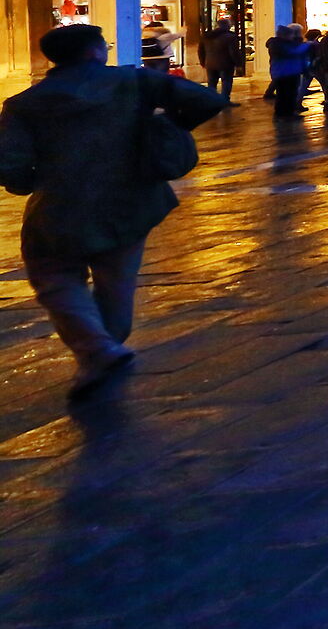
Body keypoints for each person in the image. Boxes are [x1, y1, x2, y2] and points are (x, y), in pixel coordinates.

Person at [0, 24, 230, 397]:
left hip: (58, 206)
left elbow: (10, 165)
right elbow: (208, 100)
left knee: (55, 278)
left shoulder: (25, 103)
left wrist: (25, 182)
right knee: (116, 282)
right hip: (130, 200)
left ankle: (96, 350)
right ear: (95, 52)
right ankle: (102, 352)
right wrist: (159, 126)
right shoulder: (133, 82)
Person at [265, 24, 310, 118]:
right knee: (284, 94)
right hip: (284, 72)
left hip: (291, 71)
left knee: (290, 94)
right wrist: (306, 45)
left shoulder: (284, 43)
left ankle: (287, 113)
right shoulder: (277, 44)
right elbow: (292, 53)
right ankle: (283, 114)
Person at [198, 21, 241, 102]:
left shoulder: (207, 36)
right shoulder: (230, 37)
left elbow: (201, 51)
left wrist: (203, 62)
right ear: (228, 26)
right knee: (226, 82)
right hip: (225, 64)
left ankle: (211, 100)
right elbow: (234, 52)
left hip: (210, 64)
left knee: (212, 83)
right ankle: (224, 101)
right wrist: (238, 63)